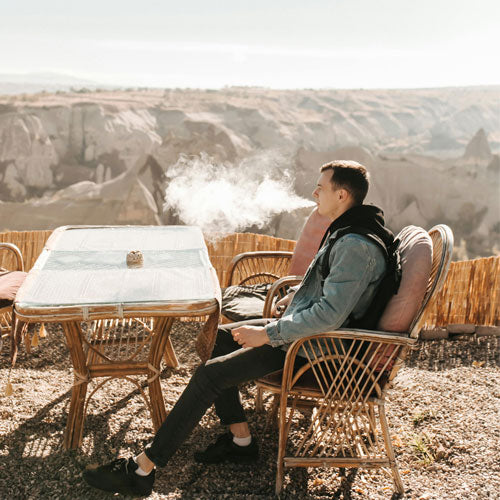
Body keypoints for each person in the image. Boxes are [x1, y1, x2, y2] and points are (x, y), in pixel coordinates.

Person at [83, 160, 395, 497]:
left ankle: (142, 468)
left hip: (319, 350)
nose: (314, 192)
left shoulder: (356, 246)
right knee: (219, 339)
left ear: (343, 194)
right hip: (305, 335)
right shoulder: (348, 230)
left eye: (322, 187)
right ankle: (241, 440)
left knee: (210, 376)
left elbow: (330, 317)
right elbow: (325, 285)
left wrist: (268, 334)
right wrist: (291, 297)